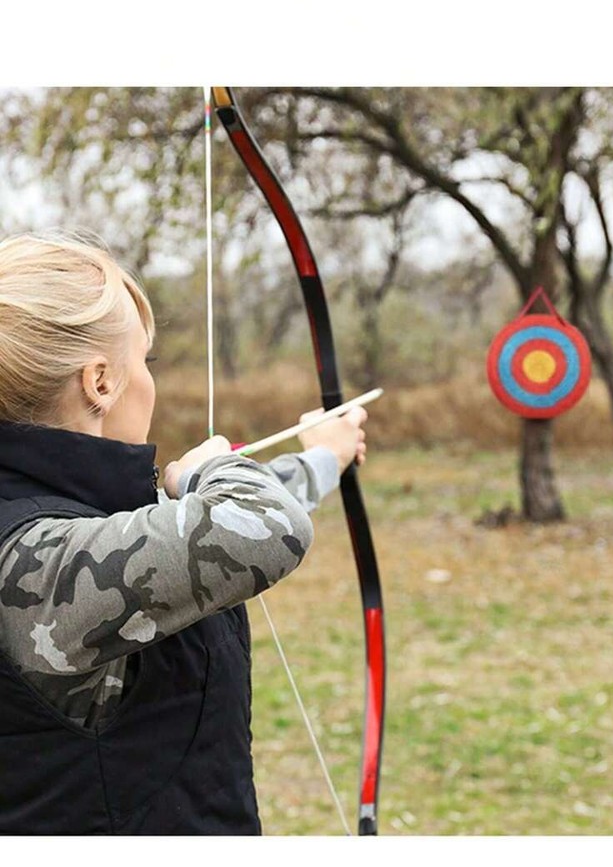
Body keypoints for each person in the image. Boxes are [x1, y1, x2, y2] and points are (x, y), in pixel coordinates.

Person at [0, 232, 369, 835]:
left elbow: (185, 531)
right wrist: (209, 470)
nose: (151, 380)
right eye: (144, 361)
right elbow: (261, 525)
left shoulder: (67, 525)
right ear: (99, 382)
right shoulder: (33, 563)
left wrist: (325, 456)